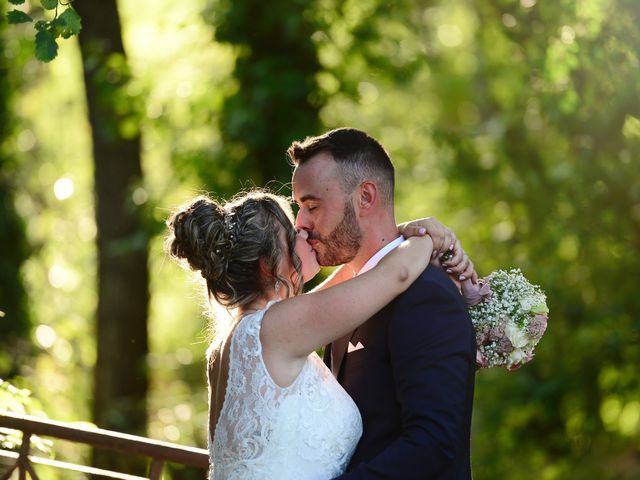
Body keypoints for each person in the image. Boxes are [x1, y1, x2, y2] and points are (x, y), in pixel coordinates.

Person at [166, 190, 467, 479]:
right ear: (267, 266)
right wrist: (431, 237)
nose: (303, 232)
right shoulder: (277, 326)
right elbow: (395, 274)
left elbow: (354, 281)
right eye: (290, 233)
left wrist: (395, 235)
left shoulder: (239, 334)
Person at [289, 127, 477, 479]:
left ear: (366, 197)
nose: (301, 223)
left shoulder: (426, 296)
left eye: (312, 206)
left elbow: (433, 443)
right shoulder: (348, 298)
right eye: (300, 208)